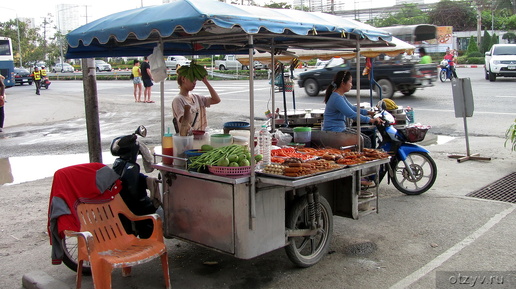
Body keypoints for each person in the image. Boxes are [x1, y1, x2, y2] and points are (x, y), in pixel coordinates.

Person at [322, 70, 382, 148]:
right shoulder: (336, 98)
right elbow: (352, 114)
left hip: (339, 130)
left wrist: (370, 112)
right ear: (343, 83)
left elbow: (353, 108)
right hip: (334, 131)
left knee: (364, 138)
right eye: (350, 82)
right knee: (365, 140)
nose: (351, 84)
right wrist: (371, 120)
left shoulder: (340, 96)